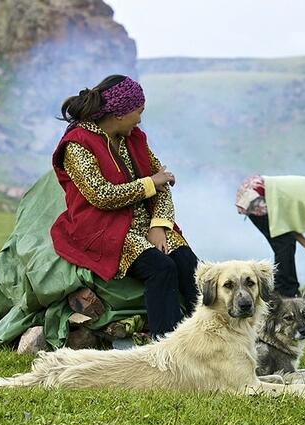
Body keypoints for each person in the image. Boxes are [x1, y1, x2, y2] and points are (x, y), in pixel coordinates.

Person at [51, 74, 198, 338]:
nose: (140, 119)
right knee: (160, 268)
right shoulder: (78, 144)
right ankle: (167, 348)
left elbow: (161, 183)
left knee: (188, 263)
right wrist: (150, 183)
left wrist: (160, 226)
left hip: (145, 224)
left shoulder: (134, 138)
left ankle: (208, 337)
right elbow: (101, 195)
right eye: (138, 112)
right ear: (120, 113)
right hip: (101, 228)